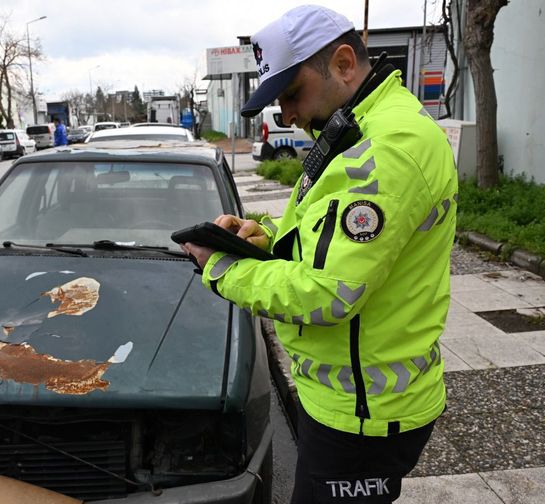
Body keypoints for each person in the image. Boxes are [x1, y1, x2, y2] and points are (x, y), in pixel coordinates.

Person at [181, 5, 457, 503]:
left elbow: (328, 292)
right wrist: (262, 234)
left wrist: (222, 268)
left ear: (344, 63)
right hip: (345, 400)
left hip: (363, 417)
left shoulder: (384, 150)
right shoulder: (357, 128)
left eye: (291, 94)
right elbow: (320, 234)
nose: (285, 114)